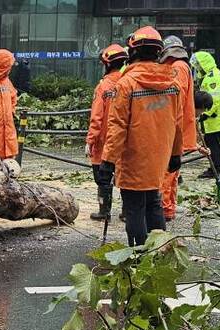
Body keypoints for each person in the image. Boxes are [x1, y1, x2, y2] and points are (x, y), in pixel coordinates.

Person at [101, 26, 183, 247]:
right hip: (160, 157)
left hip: (134, 159)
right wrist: (176, 154)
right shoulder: (173, 84)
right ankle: (159, 252)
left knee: (134, 208)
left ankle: (138, 255)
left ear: (133, 52)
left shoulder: (126, 84)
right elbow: (178, 123)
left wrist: (107, 161)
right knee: (154, 203)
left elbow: (117, 127)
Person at [159, 36, 203, 220]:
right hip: (176, 128)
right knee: (171, 172)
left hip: (173, 129)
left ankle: (164, 208)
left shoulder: (177, 68)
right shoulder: (182, 67)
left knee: (167, 173)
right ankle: (167, 208)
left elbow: (174, 100)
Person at [85, 44, 128, 221]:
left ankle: (104, 211)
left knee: (102, 180)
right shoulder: (128, 83)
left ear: (107, 64)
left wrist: (90, 141)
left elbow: (97, 117)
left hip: (103, 143)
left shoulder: (103, 87)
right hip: (124, 141)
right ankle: (127, 212)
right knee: (126, 179)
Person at [190, 51, 220, 179]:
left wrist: (205, 114)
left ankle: (216, 169)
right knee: (211, 142)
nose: (197, 68)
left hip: (215, 117)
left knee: (212, 143)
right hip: (214, 117)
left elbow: (214, 99)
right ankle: (214, 167)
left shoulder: (212, 77)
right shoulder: (210, 75)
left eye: (198, 65)